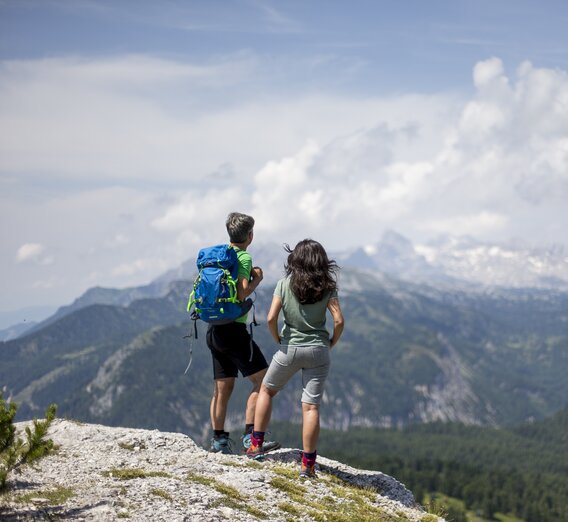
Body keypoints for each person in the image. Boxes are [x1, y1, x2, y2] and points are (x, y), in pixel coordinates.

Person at [246, 239, 345, 479]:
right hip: (319, 350)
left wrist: (278, 338)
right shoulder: (327, 287)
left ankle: (256, 445)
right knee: (310, 406)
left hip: (289, 348)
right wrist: (331, 342)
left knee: (267, 391)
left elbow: (271, 318)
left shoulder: (284, 284)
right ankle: (307, 465)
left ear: (294, 259)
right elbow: (339, 321)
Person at [206, 212, 280, 454]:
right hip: (234, 331)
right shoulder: (243, 257)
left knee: (222, 388)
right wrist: (257, 278)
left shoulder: (218, 256)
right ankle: (251, 439)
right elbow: (241, 293)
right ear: (250, 235)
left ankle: (218, 442)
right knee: (264, 381)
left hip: (214, 330)